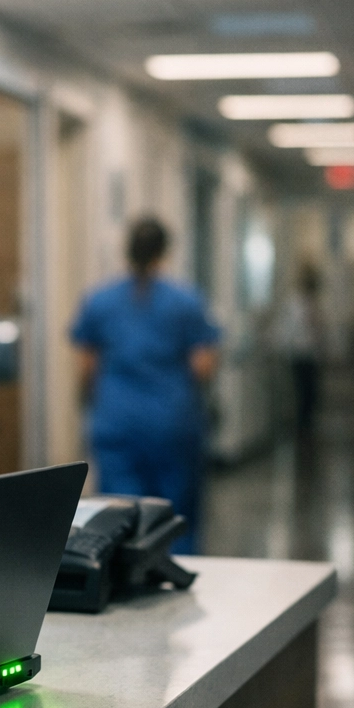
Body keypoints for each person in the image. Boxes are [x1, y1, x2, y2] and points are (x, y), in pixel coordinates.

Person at [70, 216, 221, 554]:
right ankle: (177, 575)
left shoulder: (100, 300)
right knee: (174, 512)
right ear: (164, 252)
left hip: (117, 421)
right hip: (171, 421)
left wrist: (89, 407)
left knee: (120, 513)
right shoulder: (185, 301)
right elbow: (203, 366)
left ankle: (126, 580)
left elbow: (86, 368)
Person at [275, 262, 326, 436]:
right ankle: (303, 426)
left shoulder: (312, 304)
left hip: (309, 354)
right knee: (303, 391)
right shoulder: (295, 304)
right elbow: (288, 329)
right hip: (299, 354)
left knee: (310, 392)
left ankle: (307, 424)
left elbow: (316, 331)